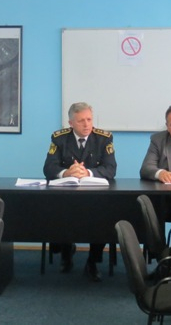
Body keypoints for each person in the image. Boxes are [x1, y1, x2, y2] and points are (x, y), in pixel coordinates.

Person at [43, 102, 116, 281]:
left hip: (95, 198)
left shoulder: (104, 139)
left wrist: (88, 172)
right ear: (71, 123)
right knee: (57, 212)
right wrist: (66, 172)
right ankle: (66, 253)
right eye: (81, 121)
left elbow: (111, 169)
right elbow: (48, 168)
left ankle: (93, 261)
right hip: (67, 196)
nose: (86, 124)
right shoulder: (59, 139)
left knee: (103, 218)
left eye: (89, 119)